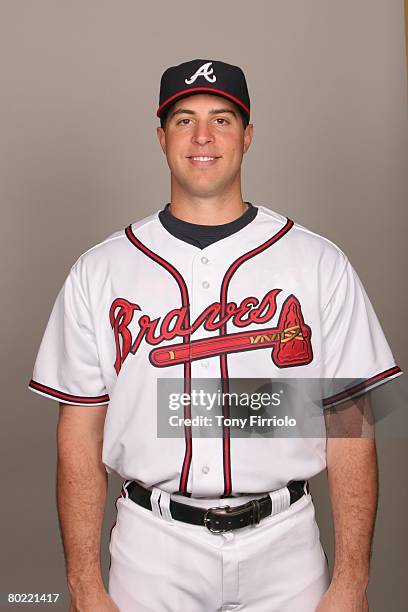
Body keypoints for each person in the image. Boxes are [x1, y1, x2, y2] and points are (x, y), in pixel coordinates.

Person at [28, 59, 402, 612]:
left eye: (222, 119)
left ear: (247, 136)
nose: (203, 136)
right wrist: (84, 585)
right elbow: (80, 436)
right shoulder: (100, 270)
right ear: (161, 138)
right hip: (152, 550)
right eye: (184, 120)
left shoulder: (318, 263)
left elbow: (350, 425)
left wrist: (351, 582)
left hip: (287, 547)